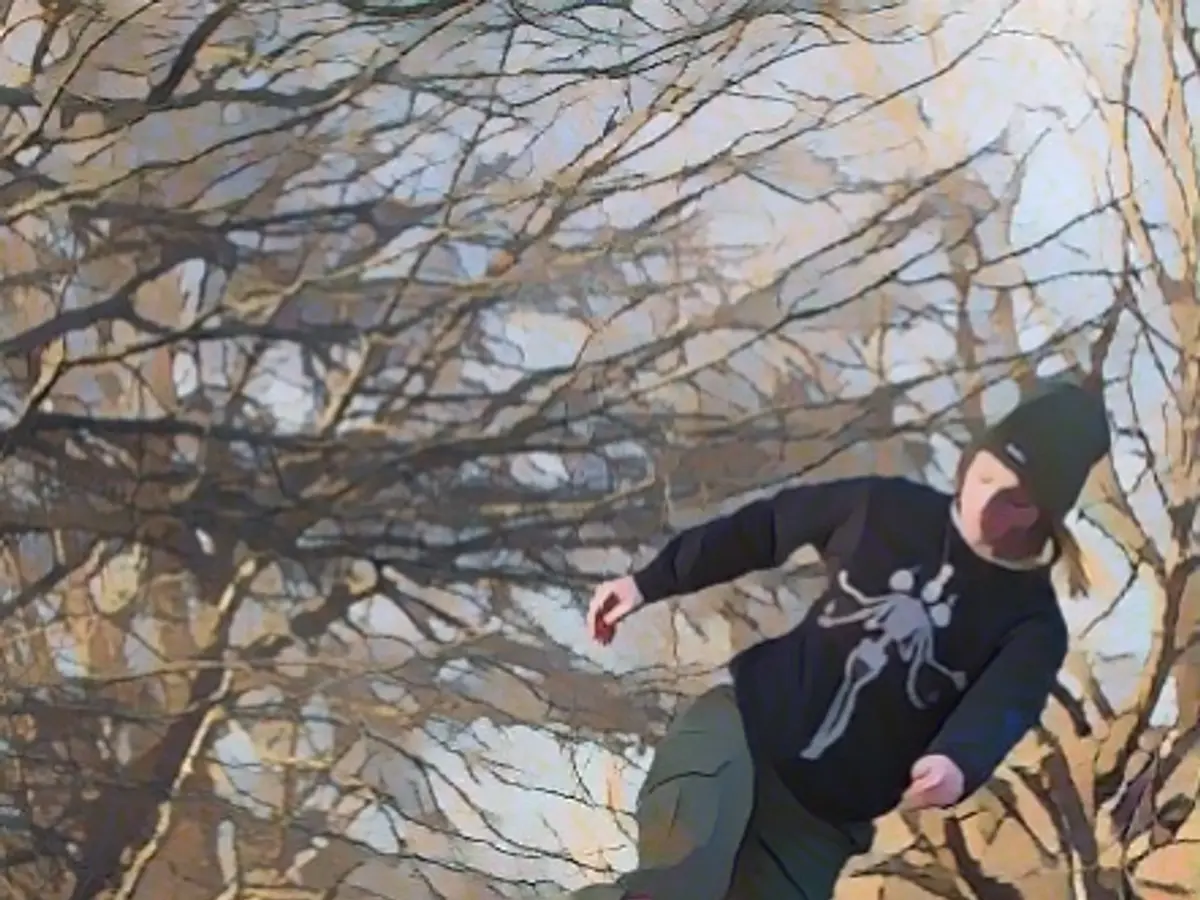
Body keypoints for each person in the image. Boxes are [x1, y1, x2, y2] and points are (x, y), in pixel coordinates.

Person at [570, 377, 1111, 900]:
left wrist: (956, 762)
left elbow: (1000, 708)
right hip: (741, 730)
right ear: (972, 460)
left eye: (1012, 500)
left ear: (1043, 515)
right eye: (984, 477)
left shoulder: (1032, 625)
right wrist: (650, 582)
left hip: (822, 824)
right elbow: (766, 529)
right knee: (680, 881)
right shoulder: (885, 509)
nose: (983, 504)